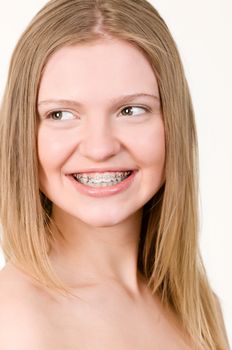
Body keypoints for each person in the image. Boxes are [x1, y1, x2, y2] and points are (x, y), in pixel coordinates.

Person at [0, 0, 229, 349]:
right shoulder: (16, 321)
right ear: (23, 134)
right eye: (61, 114)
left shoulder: (197, 306)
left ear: (173, 124)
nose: (99, 147)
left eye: (131, 110)